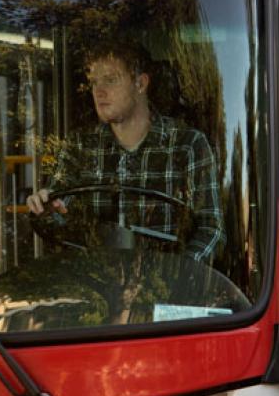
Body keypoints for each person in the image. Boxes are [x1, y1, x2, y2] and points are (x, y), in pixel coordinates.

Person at [25, 41, 224, 266]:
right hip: (98, 286)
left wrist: (180, 276)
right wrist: (47, 207)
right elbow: (59, 214)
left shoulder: (188, 145)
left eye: (110, 80)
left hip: (164, 286)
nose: (98, 91)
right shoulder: (80, 146)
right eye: (94, 82)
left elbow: (211, 229)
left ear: (140, 83)